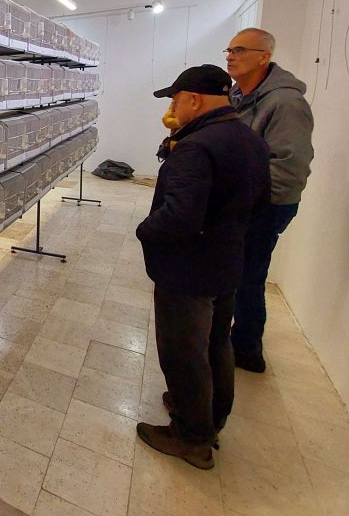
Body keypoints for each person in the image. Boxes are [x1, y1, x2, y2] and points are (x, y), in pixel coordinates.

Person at [135, 65, 270, 469]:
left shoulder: (196, 147)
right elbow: (262, 201)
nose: (172, 109)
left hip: (189, 269)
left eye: (175, 100)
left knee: (183, 351)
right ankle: (211, 417)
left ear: (193, 100)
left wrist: (145, 230)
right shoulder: (247, 137)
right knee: (216, 342)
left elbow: (179, 216)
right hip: (226, 260)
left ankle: (191, 437)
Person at [225, 28, 314, 373]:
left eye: (240, 50)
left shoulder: (286, 103)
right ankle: (237, 340)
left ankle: (247, 350)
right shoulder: (239, 95)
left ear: (264, 57)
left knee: (248, 274)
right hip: (244, 200)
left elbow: (289, 168)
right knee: (238, 270)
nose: (231, 56)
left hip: (266, 205)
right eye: (229, 50)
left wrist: (248, 202)